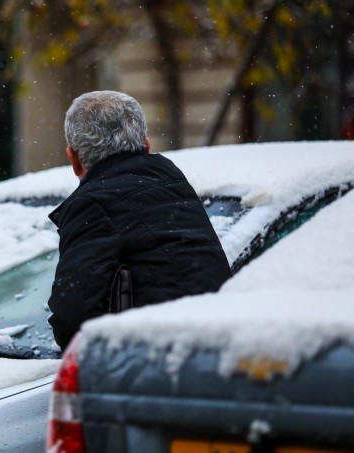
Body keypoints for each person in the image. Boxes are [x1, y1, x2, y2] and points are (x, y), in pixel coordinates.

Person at [47, 90, 231, 351]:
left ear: (73, 159)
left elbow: (73, 317)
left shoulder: (93, 203)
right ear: (146, 146)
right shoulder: (172, 184)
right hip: (216, 347)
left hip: (156, 361)